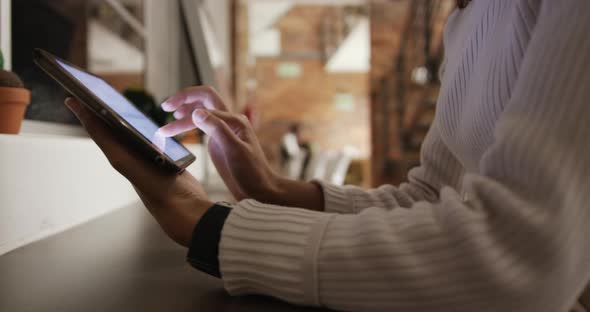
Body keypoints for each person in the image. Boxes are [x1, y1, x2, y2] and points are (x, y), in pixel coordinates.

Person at [64, 1, 590, 311]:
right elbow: (432, 195)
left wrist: (205, 225)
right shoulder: (465, 18)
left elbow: (527, 254)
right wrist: (276, 190)